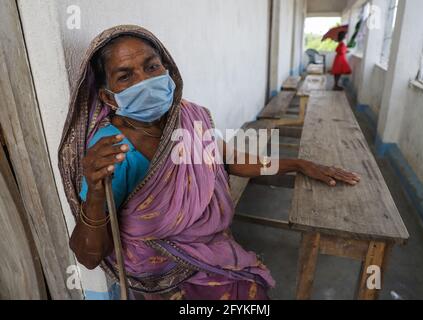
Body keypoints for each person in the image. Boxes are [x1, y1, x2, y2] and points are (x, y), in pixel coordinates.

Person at [58, 25, 360, 300]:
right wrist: (96, 193)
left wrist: (298, 164)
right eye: (126, 76)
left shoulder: (188, 116)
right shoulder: (112, 151)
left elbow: (229, 159)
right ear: (108, 98)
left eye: (151, 66)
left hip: (208, 249)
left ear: (167, 69)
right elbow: (87, 256)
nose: (145, 81)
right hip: (156, 274)